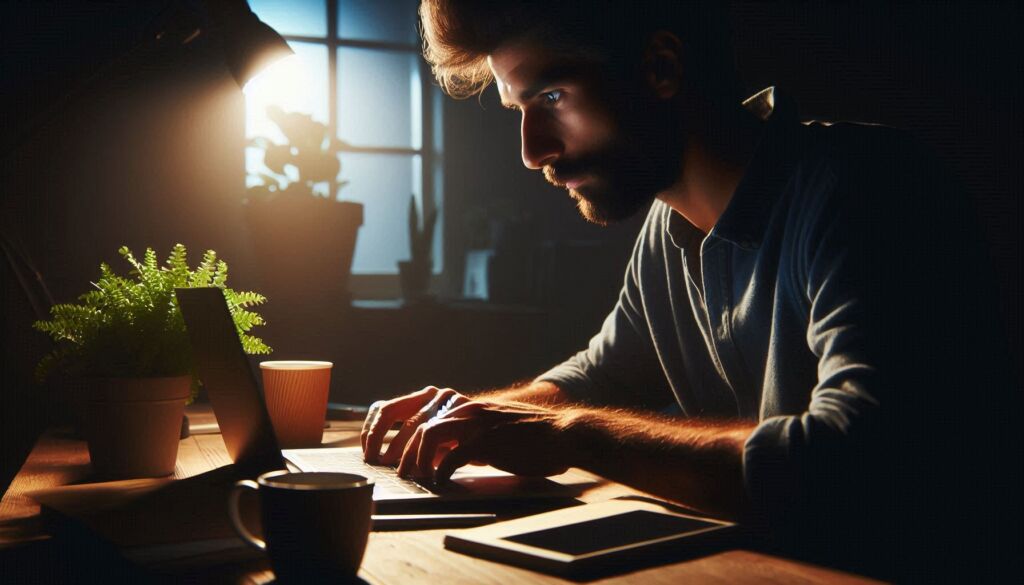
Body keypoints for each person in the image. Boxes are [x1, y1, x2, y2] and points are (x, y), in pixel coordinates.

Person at [362, 1, 1014, 580]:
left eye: (552, 97)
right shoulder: (667, 227)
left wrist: (569, 433)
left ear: (661, 68)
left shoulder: (871, 190)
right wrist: (465, 417)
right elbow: (601, 375)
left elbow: (852, 461)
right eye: (519, 110)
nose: (531, 151)